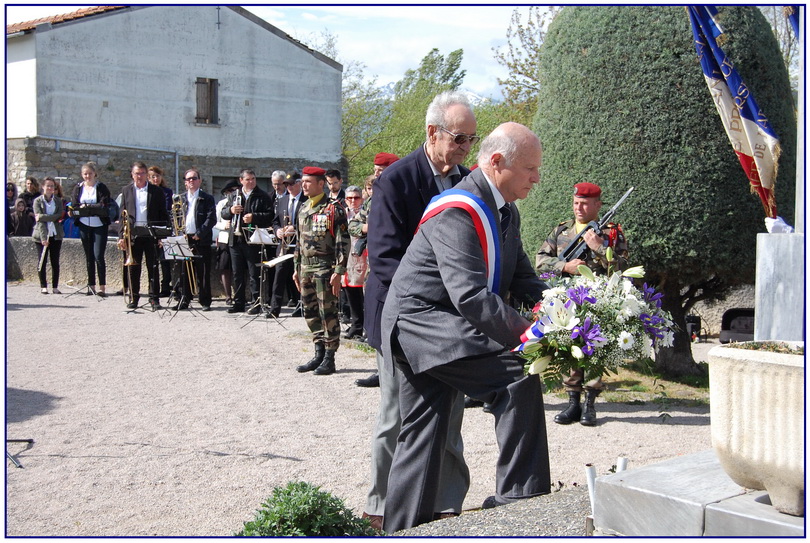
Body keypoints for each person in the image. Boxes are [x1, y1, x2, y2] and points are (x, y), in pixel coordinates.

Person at [381, 122, 550, 533]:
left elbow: (524, 280)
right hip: (423, 324)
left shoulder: (505, 210)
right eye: (529, 168)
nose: (537, 177)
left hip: (437, 326)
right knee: (518, 378)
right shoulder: (460, 209)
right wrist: (532, 338)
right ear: (496, 162)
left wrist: (569, 314)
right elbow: (470, 297)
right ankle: (521, 508)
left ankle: (401, 530)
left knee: (424, 433)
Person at [361, 91, 476, 530]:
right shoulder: (396, 181)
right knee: (396, 414)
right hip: (401, 318)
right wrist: (430, 307)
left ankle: (447, 503)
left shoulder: (465, 181)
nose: (466, 147)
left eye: (471, 139)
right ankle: (381, 504)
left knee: (451, 413)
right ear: (433, 133)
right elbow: (385, 258)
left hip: (453, 320)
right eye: (459, 138)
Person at [535, 181, 629, 426]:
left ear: (597, 205)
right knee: (570, 347)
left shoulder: (610, 233)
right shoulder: (562, 231)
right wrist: (565, 266)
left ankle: (590, 404)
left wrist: (599, 248)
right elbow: (541, 261)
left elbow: (623, 268)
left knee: (594, 348)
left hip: (598, 300)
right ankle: (572, 402)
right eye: (576, 203)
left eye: (585, 204)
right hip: (568, 299)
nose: (579, 208)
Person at [292, 166, 348, 376]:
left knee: (328, 313)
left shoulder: (333, 208)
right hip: (305, 268)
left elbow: (343, 242)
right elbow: (298, 242)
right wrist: (296, 269)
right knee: (310, 311)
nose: (303, 185)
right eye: (303, 181)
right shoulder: (304, 207)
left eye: (308, 182)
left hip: (325, 269)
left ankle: (330, 357)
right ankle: (318, 352)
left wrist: (339, 271)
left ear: (320, 184)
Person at [355, 155, 399, 388]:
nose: (377, 174)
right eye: (375, 170)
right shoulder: (372, 199)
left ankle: (394, 373)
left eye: (382, 170)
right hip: (375, 269)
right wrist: (365, 227)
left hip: (397, 272)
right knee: (375, 320)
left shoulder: (401, 195)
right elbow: (354, 223)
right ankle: (380, 370)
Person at [117, 161, 170, 311]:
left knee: (153, 267)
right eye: (136, 173)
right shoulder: (126, 190)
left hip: (151, 233)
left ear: (146, 175)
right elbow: (122, 215)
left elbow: (163, 214)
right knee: (134, 267)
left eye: (142, 173)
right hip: (133, 235)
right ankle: (134, 298)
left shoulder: (156, 191)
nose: (139, 176)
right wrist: (122, 235)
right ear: (132, 175)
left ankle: (154, 299)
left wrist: (162, 235)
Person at [220, 168, 274, 314]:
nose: (251, 182)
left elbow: (270, 215)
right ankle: (239, 303)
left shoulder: (262, 196)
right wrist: (231, 210)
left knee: (254, 273)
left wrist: (254, 217)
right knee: (237, 273)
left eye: (253, 179)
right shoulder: (233, 196)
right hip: (235, 240)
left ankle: (256, 302)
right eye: (248, 179)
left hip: (252, 239)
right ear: (241, 180)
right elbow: (223, 214)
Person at [172, 168, 216, 311]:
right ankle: (184, 299)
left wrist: (200, 233)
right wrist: (177, 233)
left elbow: (211, 219)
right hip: (184, 238)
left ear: (200, 180)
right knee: (183, 271)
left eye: (194, 178)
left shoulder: (207, 198)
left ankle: (205, 301)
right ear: (185, 182)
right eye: (188, 179)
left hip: (200, 239)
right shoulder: (180, 199)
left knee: (203, 271)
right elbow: (173, 217)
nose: (191, 181)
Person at [71, 161, 112, 296]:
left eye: (90, 173)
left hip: (99, 224)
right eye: (85, 174)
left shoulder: (101, 187)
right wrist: (83, 208)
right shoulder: (78, 188)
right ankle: (91, 285)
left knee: (98, 256)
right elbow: (75, 204)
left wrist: (88, 207)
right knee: (89, 256)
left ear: (95, 173)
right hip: (84, 224)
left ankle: (102, 287)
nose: (87, 176)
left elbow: (103, 204)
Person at [269, 172, 306, 318]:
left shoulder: (306, 200)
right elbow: (275, 220)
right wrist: (278, 230)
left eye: (291, 184)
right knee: (279, 276)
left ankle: (301, 306)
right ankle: (274, 308)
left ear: (299, 184)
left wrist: (295, 229)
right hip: (284, 245)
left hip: (299, 244)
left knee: (301, 277)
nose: (289, 187)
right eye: (287, 185)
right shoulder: (282, 200)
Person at [341, 185, 368, 340]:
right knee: (350, 293)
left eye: (356, 197)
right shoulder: (343, 215)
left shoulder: (365, 214)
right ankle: (356, 324)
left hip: (363, 257)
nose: (353, 201)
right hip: (348, 258)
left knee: (363, 293)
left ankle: (364, 327)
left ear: (361, 199)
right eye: (349, 198)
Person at [32, 177, 65, 294]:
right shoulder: (37, 201)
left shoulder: (58, 201)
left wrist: (43, 216)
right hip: (41, 235)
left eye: (52, 186)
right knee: (42, 261)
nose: (50, 188)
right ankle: (43, 286)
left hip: (55, 234)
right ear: (43, 187)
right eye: (48, 186)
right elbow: (39, 221)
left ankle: (55, 286)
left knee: (55, 261)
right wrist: (43, 239)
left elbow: (58, 216)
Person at [148, 165, 175, 297]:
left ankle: (166, 286)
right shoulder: (147, 191)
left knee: (165, 259)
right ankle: (153, 287)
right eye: (152, 176)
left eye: (157, 176)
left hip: (163, 226)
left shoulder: (167, 192)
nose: (155, 178)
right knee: (152, 260)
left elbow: (166, 209)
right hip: (150, 227)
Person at [214, 179, 240, 305]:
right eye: (230, 190)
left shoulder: (241, 202)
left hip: (238, 237)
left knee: (238, 267)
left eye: (235, 189)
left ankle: (240, 295)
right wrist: (223, 225)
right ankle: (228, 295)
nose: (233, 192)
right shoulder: (222, 204)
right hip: (225, 236)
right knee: (225, 266)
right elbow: (215, 221)